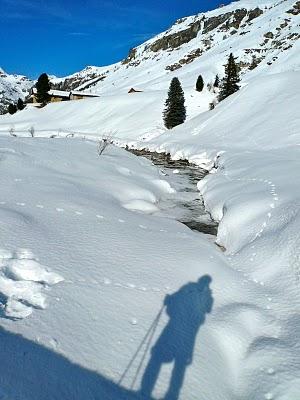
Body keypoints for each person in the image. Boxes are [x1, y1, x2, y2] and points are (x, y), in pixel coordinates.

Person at [140, 275, 213, 400]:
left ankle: (159, 393)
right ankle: (151, 392)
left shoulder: (202, 296)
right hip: (178, 333)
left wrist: (170, 302)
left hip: (180, 334)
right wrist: (170, 301)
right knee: (168, 362)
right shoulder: (193, 291)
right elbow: (174, 306)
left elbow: (201, 313)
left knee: (173, 364)